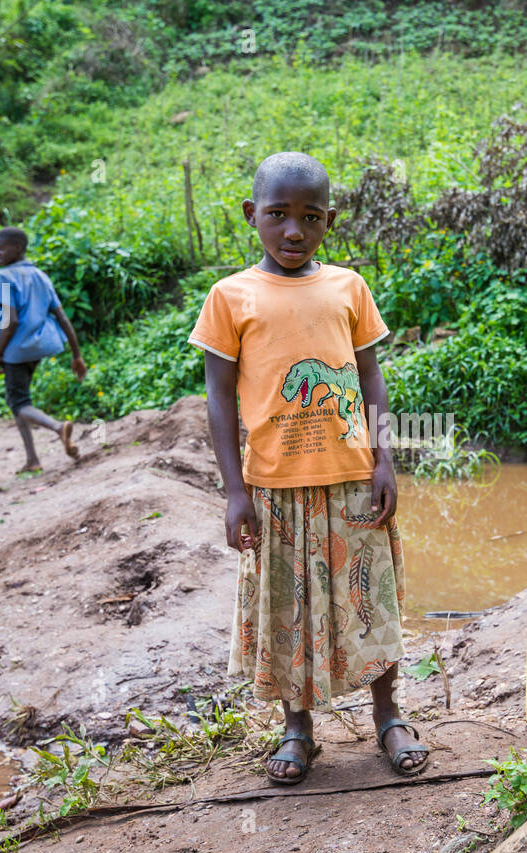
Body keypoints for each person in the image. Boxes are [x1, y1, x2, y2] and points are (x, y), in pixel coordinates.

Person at [188, 152, 427, 784]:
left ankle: (388, 717)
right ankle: (298, 729)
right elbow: (218, 397)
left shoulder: (348, 287)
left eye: (310, 217)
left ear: (329, 220)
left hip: (352, 479)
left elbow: (371, 376)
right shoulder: (229, 297)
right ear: (252, 216)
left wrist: (384, 458)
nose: (294, 231)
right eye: (278, 215)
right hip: (272, 486)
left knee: (370, 602)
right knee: (288, 611)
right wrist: (233, 491)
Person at [0, 227, 86, 473]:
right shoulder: (40, 275)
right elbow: (61, 316)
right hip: (38, 348)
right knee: (19, 401)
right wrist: (76, 354)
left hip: (16, 350)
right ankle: (32, 460)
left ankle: (57, 427)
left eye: (1, 248)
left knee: (18, 403)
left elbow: (10, 322)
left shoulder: (2, 277)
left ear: (17, 248)